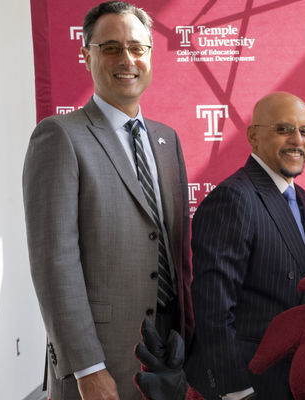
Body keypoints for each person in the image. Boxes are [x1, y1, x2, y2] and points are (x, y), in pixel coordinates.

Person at [22, 2, 192, 399]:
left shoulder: (167, 140)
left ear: (150, 54)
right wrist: (87, 368)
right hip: (102, 361)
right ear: (86, 55)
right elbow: (54, 263)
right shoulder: (60, 136)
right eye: (110, 47)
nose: (126, 59)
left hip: (168, 355)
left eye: (137, 48)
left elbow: (174, 249)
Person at [184, 92, 305, 400]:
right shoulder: (233, 199)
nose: (297, 141)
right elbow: (213, 308)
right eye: (283, 129)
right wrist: (235, 389)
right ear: (253, 136)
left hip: (298, 382)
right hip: (250, 384)